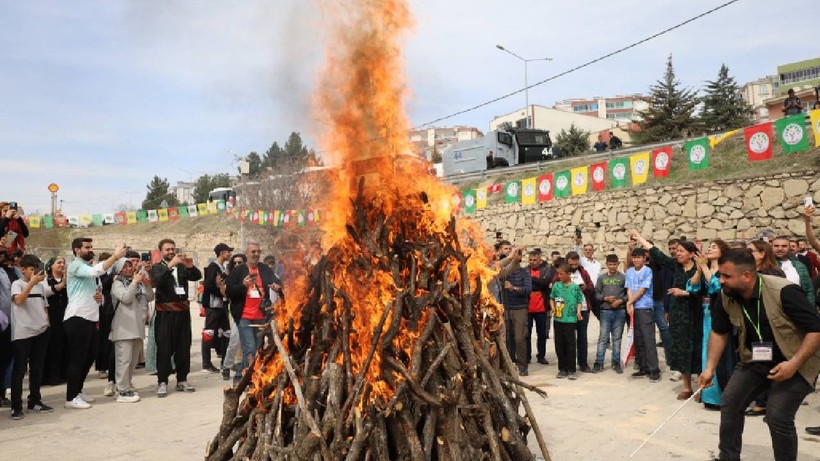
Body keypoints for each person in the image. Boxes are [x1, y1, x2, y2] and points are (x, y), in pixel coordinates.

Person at [699, 249, 820, 461]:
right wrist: (709, 368)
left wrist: (793, 364)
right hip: (756, 360)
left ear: (746, 275)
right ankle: (728, 457)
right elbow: (719, 332)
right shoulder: (726, 296)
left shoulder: (784, 291)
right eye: (720, 274)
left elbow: (816, 330)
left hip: (797, 362)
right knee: (730, 401)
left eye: (727, 275)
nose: (721, 280)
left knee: (777, 415)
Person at [632, 230, 702, 399]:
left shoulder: (700, 269)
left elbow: (706, 291)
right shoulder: (675, 266)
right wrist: (639, 237)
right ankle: (686, 387)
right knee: (682, 350)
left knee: (699, 349)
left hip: (696, 315)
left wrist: (685, 293)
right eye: (676, 251)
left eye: (681, 251)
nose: (677, 254)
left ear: (691, 254)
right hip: (678, 315)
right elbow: (655, 251)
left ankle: (701, 387)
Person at [64, 238, 126, 409]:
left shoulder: (87, 269)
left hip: (91, 318)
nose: (90, 249)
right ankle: (71, 397)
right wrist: (114, 257)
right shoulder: (76, 266)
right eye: (86, 247)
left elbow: (96, 292)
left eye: (91, 247)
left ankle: (78, 390)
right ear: (77, 250)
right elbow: (96, 272)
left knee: (89, 356)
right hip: (77, 317)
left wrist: (100, 298)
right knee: (77, 359)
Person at [688, 239, 737, 408]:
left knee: (723, 355)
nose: (710, 249)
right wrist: (700, 269)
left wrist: (705, 268)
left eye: (714, 247)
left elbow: (718, 287)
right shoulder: (705, 267)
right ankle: (709, 395)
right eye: (709, 247)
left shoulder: (724, 270)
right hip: (706, 314)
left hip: (722, 314)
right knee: (706, 353)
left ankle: (725, 396)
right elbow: (692, 287)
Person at [150, 238, 202, 397]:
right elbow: (157, 282)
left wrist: (190, 265)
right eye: (167, 249)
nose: (171, 252)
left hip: (183, 314)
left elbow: (196, 275)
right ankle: (162, 382)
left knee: (183, 347)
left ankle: (182, 379)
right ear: (161, 252)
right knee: (164, 349)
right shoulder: (157, 268)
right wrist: (170, 265)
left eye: (173, 249)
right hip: (165, 315)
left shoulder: (181, 267)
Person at [226, 242, 283, 383]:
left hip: (261, 317)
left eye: (258, 251)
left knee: (257, 349)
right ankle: (240, 378)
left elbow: (277, 282)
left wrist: (277, 287)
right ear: (247, 254)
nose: (256, 254)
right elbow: (229, 292)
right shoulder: (238, 271)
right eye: (253, 252)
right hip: (244, 316)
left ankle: (249, 377)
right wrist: (243, 286)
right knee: (250, 348)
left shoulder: (264, 269)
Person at [9, 255, 53, 419]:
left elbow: (45, 306)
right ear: (23, 269)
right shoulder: (17, 284)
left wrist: (47, 323)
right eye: (32, 270)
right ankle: (16, 406)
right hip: (22, 333)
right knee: (19, 371)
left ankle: (34, 401)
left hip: (41, 332)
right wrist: (31, 284)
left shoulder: (41, 287)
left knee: (37, 369)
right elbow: (19, 301)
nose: (35, 274)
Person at [110, 256, 154, 403]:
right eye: (126, 266)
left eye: (130, 265)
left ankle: (127, 386)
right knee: (124, 360)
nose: (129, 268)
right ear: (119, 269)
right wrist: (135, 282)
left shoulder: (136, 282)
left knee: (132, 360)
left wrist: (146, 284)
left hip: (137, 326)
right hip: (124, 327)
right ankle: (122, 390)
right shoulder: (117, 284)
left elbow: (149, 297)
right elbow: (126, 298)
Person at [492, 242, 532, 376]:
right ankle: (507, 364)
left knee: (519, 338)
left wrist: (514, 288)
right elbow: (500, 269)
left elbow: (527, 290)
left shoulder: (524, 272)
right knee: (505, 339)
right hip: (503, 309)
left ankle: (522, 365)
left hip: (519, 308)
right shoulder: (493, 271)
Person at [554, 252, 595, 373]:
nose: (574, 267)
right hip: (566, 312)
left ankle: (582, 363)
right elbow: (554, 288)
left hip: (582, 309)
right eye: (571, 264)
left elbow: (592, 287)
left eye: (576, 264)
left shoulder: (583, 273)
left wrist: (585, 288)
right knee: (566, 340)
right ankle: (565, 366)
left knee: (582, 337)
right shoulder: (560, 274)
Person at [625, 248, 660, 382]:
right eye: (634, 257)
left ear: (644, 258)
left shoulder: (647, 271)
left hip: (644, 307)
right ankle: (643, 367)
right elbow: (629, 288)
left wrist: (630, 302)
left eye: (639, 257)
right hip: (634, 307)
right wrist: (630, 304)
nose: (636, 260)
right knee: (638, 339)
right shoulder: (629, 272)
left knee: (648, 339)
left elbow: (642, 289)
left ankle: (654, 370)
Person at [593, 254, 627, 373]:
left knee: (617, 339)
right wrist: (605, 298)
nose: (612, 267)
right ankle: (599, 362)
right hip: (605, 311)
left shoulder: (623, 277)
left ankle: (616, 362)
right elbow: (596, 294)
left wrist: (620, 301)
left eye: (614, 264)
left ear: (618, 264)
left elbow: (629, 294)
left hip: (620, 311)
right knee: (603, 338)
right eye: (610, 264)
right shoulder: (601, 278)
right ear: (606, 265)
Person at [202, 243, 233, 373]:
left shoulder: (221, 267)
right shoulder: (212, 267)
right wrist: (221, 291)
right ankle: (206, 363)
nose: (229, 254)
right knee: (209, 333)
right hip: (213, 306)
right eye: (228, 252)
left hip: (221, 306)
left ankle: (224, 362)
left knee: (227, 332)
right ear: (222, 253)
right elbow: (208, 286)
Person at [550, 263, 584, 380]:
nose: (559, 276)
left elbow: (579, 301)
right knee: (559, 344)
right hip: (558, 319)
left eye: (561, 274)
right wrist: (553, 307)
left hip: (570, 319)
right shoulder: (556, 286)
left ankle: (571, 369)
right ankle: (562, 369)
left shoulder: (575, 287)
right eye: (558, 274)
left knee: (570, 344)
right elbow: (552, 298)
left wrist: (578, 312)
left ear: (569, 274)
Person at [42, 257, 68, 385]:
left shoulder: (70, 280)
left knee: (65, 345)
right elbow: (45, 293)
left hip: (66, 316)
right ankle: (51, 377)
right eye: (59, 263)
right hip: (52, 316)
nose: (62, 265)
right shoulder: (46, 280)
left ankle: (64, 374)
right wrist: (62, 285)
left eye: (63, 263)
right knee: (52, 347)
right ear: (51, 266)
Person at [221, 253, 246, 381]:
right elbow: (226, 294)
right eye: (235, 263)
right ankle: (226, 367)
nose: (237, 265)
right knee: (234, 341)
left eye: (240, 263)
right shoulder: (231, 277)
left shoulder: (251, 275)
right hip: (238, 313)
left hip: (252, 313)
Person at [527, 249, 554, 366]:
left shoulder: (546, 270)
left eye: (535, 260)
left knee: (542, 334)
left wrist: (532, 280)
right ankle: (527, 356)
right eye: (530, 260)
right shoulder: (524, 270)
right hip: (527, 308)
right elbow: (526, 286)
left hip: (542, 308)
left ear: (540, 260)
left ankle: (541, 355)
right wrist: (539, 283)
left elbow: (546, 282)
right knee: (526, 334)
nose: (532, 262)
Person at [770, 236, 815, 307]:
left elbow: (809, 289)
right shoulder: (767, 266)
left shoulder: (799, 265)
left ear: (789, 248)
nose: (780, 248)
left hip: (799, 307)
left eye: (784, 246)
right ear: (771, 247)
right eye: (776, 246)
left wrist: (810, 308)